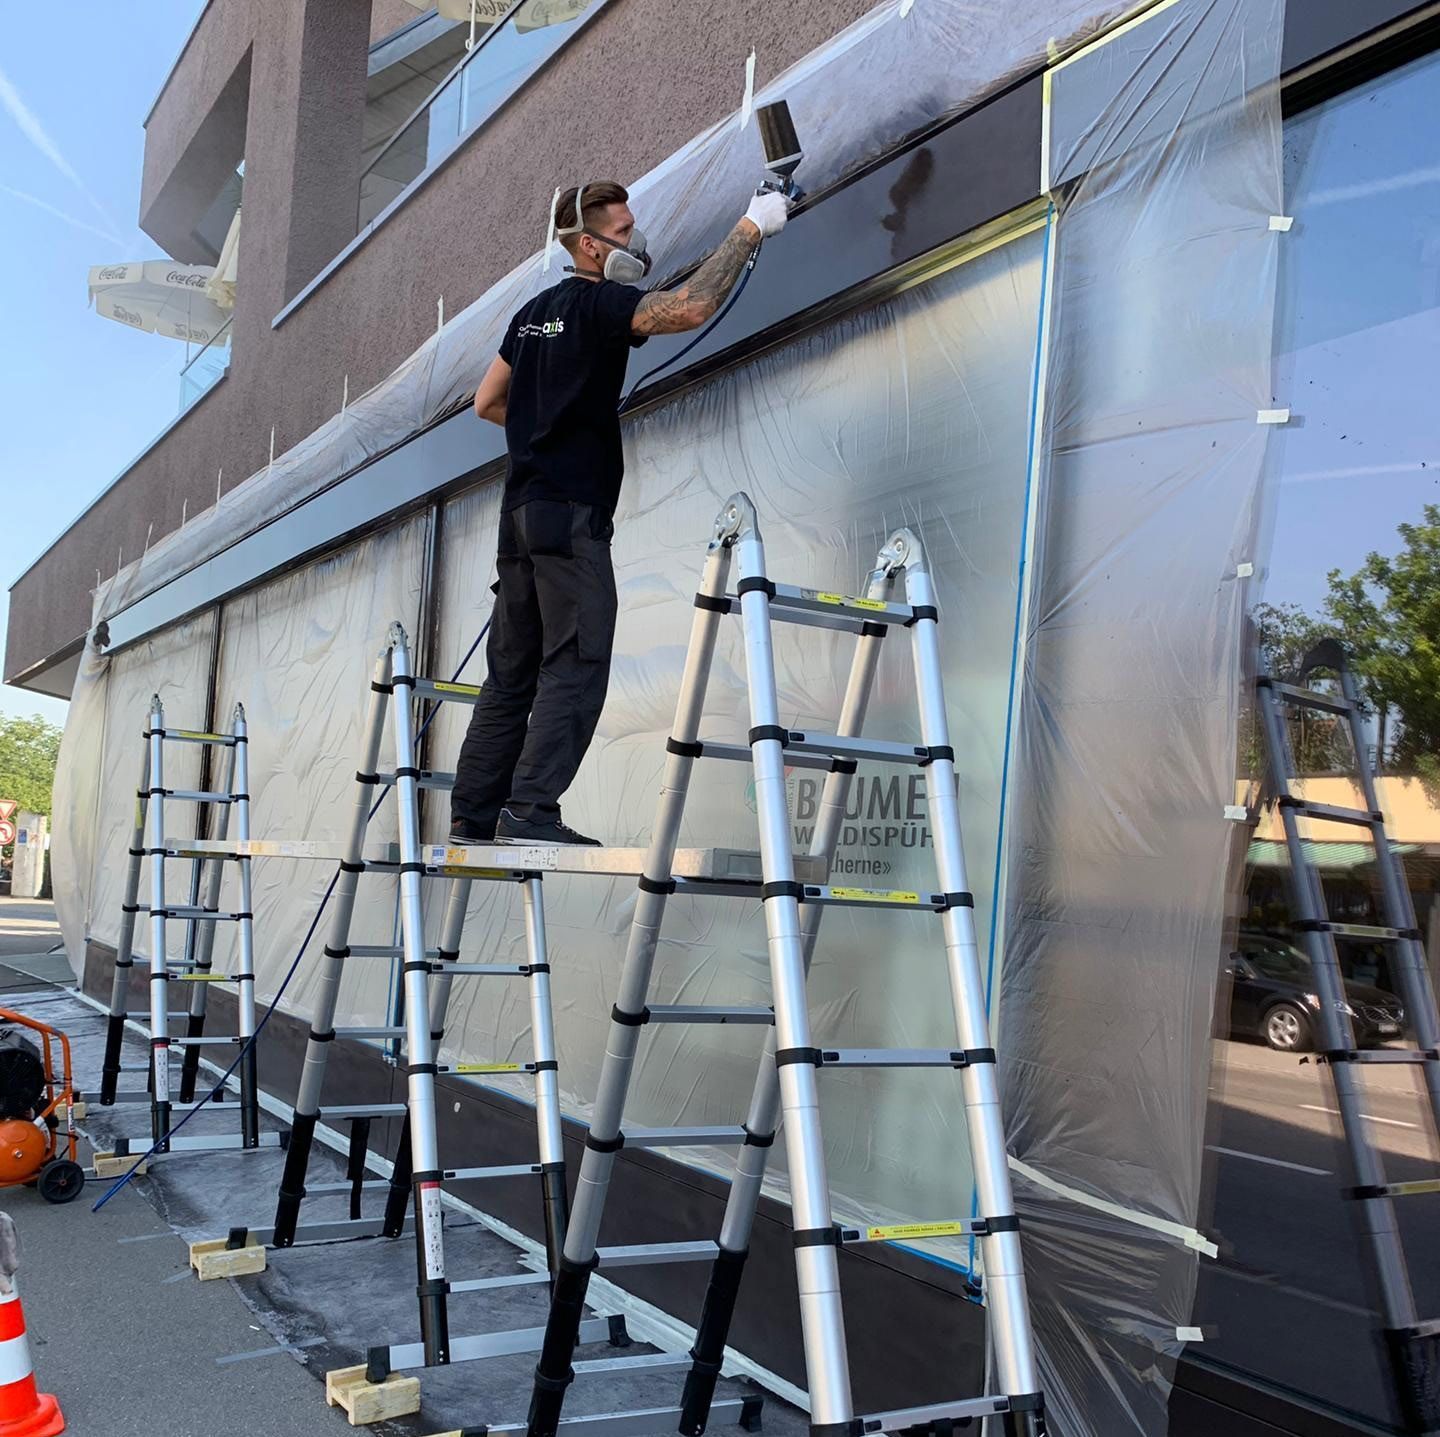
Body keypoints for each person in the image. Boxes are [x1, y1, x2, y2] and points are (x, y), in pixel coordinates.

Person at [449, 180, 792, 847]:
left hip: (519, 517)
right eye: (626, 231)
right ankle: (529, 810)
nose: (635, 242)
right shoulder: (599, 304)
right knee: (577, 656)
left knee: (512, 667)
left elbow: (487, 401)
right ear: (589, 244)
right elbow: (690, 306)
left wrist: (541, 422)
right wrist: (752, 225)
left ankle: (473, 813)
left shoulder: (530, 315)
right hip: (570, 515)